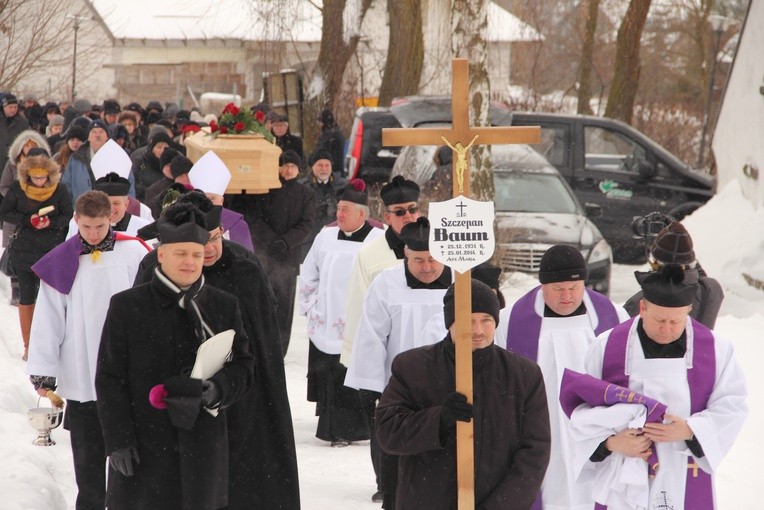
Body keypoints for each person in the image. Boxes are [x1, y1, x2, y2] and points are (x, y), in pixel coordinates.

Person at [133, 191, 300, 509]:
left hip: (240, 399)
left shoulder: (245, 268)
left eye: (215, 238)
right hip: (174, 399)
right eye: (200, 242)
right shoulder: (154, 266)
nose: (208, 250)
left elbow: (264, 342)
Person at [96, 202, 254, 510]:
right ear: (161, 254)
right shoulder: (127, 306)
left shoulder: (224, 305)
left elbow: (245, 367)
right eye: (181, 253)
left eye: (196, 254)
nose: (190, 262)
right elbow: (109, 377)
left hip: (203, 448)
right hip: (143, 447)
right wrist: (117, 441)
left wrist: (219, 388)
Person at [566, 264, 748, 509]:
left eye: (676, 321)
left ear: (689, 310)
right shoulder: (606, 347)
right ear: (642, 308)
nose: (667, 329)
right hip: (624, 474)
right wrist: (610, 443)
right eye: (659, 319)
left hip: (684, 466)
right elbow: (581, 412)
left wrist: (691, 430)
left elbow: (732, 406)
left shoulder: (717, 350)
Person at [375, 278, 552, 509]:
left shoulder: (524, 375)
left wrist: (499, 506)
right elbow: (388, 433)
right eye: (468, 320)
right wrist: (438, 420)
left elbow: (535, 451)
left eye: (486, 320)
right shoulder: (413, 367)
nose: (478, 330)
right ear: (450, 323)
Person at [26, 190, 150, 510]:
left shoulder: (134, 253)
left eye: (99, 226)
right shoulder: (63, 259)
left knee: (129, 460)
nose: (93, 235)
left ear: (112, 218)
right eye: (86, 227)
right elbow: (49, 318)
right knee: (89, 462)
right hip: (83, 375)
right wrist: (44, 369)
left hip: (128, 373)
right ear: (76, 222)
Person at [502, 244, 629, 510]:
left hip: (598, 435)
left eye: (574, 288)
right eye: (558, 289)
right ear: (542, 286)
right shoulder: (511, 321)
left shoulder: (613, 317)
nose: (568, 297)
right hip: (539, 431)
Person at [345, 217, 453, 508]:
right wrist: (373, 389)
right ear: (405, 253)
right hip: (401, 390)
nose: (427, 267)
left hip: (450, 389)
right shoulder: (386, 283)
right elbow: (371, 336)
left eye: (433, 259)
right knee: (398, 463)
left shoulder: (461, 283)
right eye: (419, 259)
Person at [299, 178, 383, 447]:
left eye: (346, 209)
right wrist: (312, 306)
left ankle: (352, 428)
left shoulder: (377, 240)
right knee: (330, 376)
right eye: (338, 208)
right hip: (325, 319)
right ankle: (330, 424)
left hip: (358, 321)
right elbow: (309, 273)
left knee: (351, 377)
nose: (339, 213)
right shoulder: (324, 236)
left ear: (362, 214)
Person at [230, 149, 315, 356]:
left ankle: (279, 349)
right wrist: (270, 240)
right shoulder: (265, 189)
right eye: (284, 165)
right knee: (262, 301)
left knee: (284, 307)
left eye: (293, 166)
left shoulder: (306, 195)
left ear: (299, 170)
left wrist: (285, 242)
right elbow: (253, 217)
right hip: (264, 254)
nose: (288, 170)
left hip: (288, 257)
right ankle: (259, 344)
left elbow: (307, 224)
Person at [341, 175, 422, 366]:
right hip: (388, 352)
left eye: (412, 209)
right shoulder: (369, 255)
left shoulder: (438, 250)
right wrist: (355, 359)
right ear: (387, 217)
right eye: (400, 212)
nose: (408, 216)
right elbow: (357, 308)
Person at [0, 152, 72, 360]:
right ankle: (29, 345)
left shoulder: (59, 190)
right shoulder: (17, 189)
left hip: (51, 250)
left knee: (51, 298)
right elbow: (4, 212)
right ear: (27, 176)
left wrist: (52, 223)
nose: (40, 183)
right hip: (24, 250)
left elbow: (67, 214)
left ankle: (52, 342)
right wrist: (26, 220)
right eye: (35, 178)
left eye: (43, 178)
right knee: (27, 297)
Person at [624, 221, 723, 329]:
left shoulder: (642, 302)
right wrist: (680, 241)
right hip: (699, 346)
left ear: (656, 263)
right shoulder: (711, 290)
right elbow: (697, 275)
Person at [187, 150, 254, 251]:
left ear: (222, 201)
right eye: (201, 197)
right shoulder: (185, 222)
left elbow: (248, 263)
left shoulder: (237, 225)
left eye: (212, 198)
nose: (207, 202)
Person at [65, 172, 151, 238]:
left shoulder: (143, 227)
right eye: (105, 203)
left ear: (126, 204)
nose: (110, 208)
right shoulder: (81, 225)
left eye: (116, 203)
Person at [299, 148, 347, 259]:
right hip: (309, 239)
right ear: (312, 167)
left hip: (335, 237)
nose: (324, 169)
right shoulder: (302, 187)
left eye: (327, 165)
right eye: (320, 165)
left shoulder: (343, 186)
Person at [0, 93, 31, 170]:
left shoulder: (23, 123)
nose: (13, 110)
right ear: (3, 107)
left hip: (14, 162)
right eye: (10, 107)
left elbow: (28, 140)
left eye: (15, 107)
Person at [315, 109, 346, 178]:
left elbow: (321, 152)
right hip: (338, 171)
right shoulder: (336, 131)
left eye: (321, 121)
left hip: (332, 172)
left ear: (324, 121)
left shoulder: (329, 134)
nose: (319, 124)